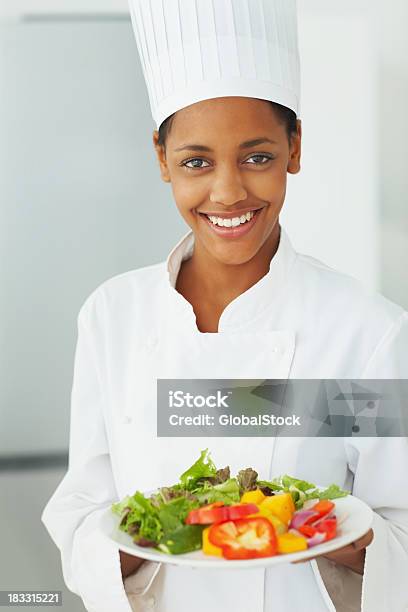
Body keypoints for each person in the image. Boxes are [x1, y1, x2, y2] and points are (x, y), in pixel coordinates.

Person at [41, 1, 408, 611]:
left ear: (294, 148)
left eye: (258, 157)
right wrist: (171, 523)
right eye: (196, 162)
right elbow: (82, 511)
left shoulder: (364, 331)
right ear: (162, 160)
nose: (229, 191)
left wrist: (309, 522)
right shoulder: (113, 316)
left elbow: (402, 535)